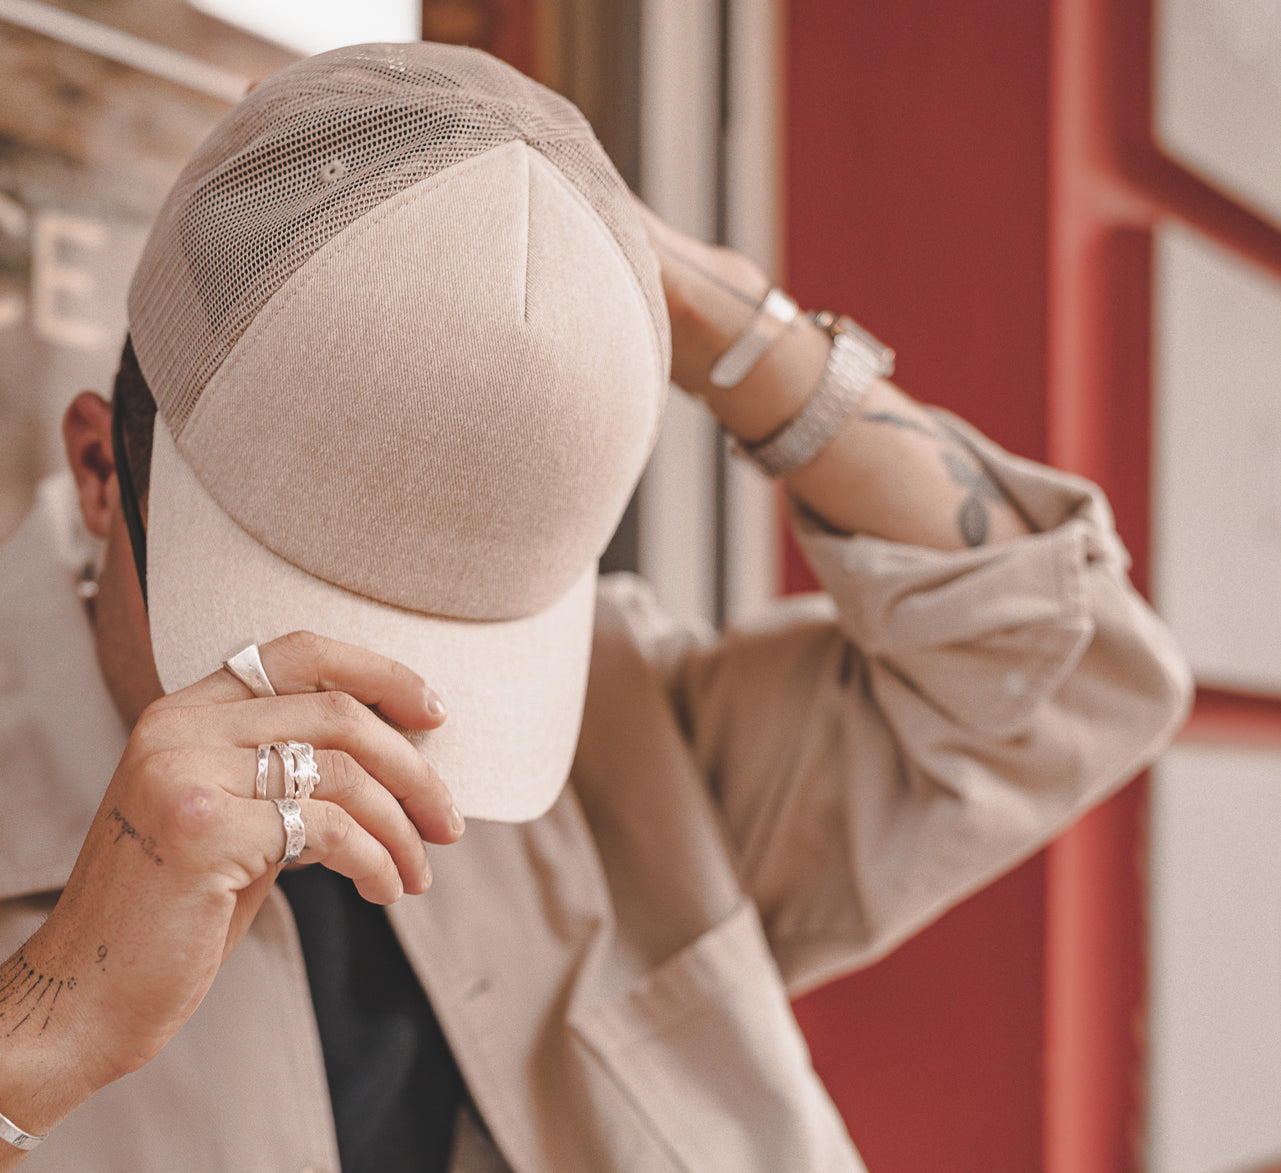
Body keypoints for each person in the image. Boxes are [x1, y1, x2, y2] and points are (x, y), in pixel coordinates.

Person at [0, 40, 1189, 1173]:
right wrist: (44, 1031)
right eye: (278, 619)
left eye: (455, 646)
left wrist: (693, 302)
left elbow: (1066, 676)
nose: (366, 704)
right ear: (103, 474)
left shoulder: (631, 725)